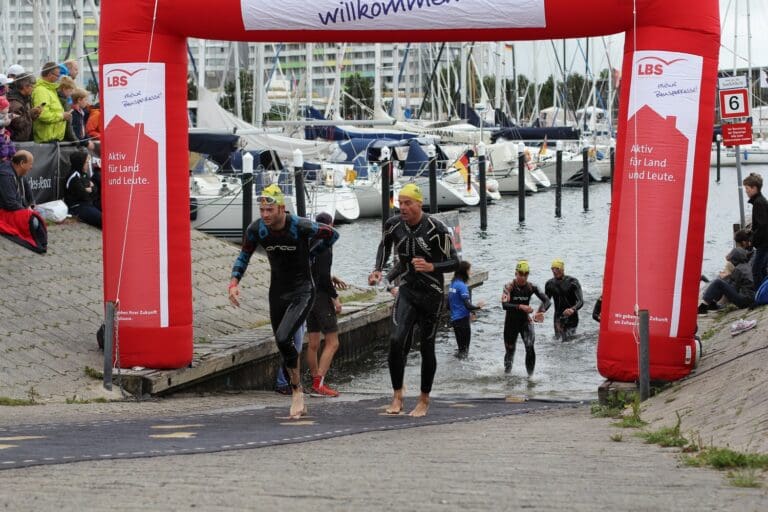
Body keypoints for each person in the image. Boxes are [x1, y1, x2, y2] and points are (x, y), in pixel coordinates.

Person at [228, 184, 338, 419]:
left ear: (281, 208)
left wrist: (313, 253)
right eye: (262, 210)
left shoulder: (299, 225)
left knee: (283, 336)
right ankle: (296, 387)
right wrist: (234, 282)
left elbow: (332, 234)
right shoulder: (257, 229)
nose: (265, 215)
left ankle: (297, 391)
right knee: (282, 343)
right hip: (277, 291)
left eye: (270, 210)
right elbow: (244, 254)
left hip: (302, 290)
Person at [368, 183, 459, 417]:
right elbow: (384, 247)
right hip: (407, 290)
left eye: (408, 203)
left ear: (419, 203)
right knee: (396, 341)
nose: (403, 208)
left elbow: (455, 262)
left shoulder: (436, 228)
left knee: (427, 347)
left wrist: (431, 266)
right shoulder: (393, 225)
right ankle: (397, 396)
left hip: (431, 293)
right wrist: (378, 270)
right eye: (400, 203)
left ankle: (424, 400)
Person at [305, 212, 343, 397]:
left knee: (313, 342)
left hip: (307, 296)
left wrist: (331, 276)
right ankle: (319, 383)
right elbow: (322, 279)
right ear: (331, 225)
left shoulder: (308, 242)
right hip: (320, 297)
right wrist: (335, 297)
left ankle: (313, 381)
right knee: (332, 342)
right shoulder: (326, 248)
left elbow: (315, 271)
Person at [501, 261, 550, 376]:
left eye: (526, 274)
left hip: (525, 322)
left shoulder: (532, 287)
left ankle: (530, 379)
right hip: (511, 323)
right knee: (510, 351)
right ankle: (507, 376)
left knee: (530, 347)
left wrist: (540, 312)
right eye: (520, 274)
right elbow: (504, 305)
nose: (523, 277)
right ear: (516, 273)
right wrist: (520, 306)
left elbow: (547, 301)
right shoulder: (509, 287)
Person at [0, 150, 46, 253]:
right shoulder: (5, 176)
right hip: (5, 212)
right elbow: (10, 204)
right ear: (22, 163)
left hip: (16, 209)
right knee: (34, 221)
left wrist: (31, 205)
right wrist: (27, 211)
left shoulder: (19, 173)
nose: (31, 167)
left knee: (41, 212)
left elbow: (29, 193)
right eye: (30, 164)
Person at [698, 247, 754, 313]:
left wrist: (725, 280)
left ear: (734, 259)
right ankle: (712, 304)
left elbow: (734, 287)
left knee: (717, 282)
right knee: (722, 283)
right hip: (750, 299)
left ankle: (703, 307)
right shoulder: (745, 266)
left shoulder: (738, 270)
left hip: (744, 301)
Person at [447, 260, 485, 357]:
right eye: (469, 270)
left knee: (461, 350)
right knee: (465, 352)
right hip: (462, 321)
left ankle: (456, 369)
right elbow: (467, 305)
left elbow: (448, 305)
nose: (470, 272)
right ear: (464, 271)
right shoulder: (462, 286)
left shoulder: (453, 284)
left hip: (455, 321)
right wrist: (478, 307)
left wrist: (470, 312)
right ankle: (462, 370)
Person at [31, 62, 72, 143]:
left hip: (52, 138)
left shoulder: (51, 90)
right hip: (46, 140)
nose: (58, 78)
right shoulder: (41, 91)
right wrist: (62, 116)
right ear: (50, 74)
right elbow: (43, 115)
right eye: (57, 75)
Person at [545, 259, 584, 341]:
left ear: (563, 269)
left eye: (557, 269)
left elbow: (581, 301)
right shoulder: (549, 284)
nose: (555, 271)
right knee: (558, 341)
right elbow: (546, 302)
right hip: (558, 317)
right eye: (553, 269)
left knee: (569, 342)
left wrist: (572, 309)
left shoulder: (573, 282)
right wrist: (540, 312)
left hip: (572, 316)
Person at [64, 150, 101, 228]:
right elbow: (83, 194)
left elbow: (95, 190)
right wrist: (89, 189)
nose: (88, 165)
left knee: (110, 211)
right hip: (78, 207)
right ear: (80, 163)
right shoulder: (74, 176)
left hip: (89, 203)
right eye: (86, 163)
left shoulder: (84, 174)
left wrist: (89, 189)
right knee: (102, 219)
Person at [743, 173, 768, 288]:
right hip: (764, 242)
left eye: (747, 189)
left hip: (764, 243)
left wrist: (752, 239)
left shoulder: (758, 203)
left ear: (754, 188)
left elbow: (763, 225)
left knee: (756, 270)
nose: (746, 191)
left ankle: (760, 297)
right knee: (762, 269)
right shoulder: (760, 201)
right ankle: (763, 294)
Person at [6, 74, 42, 142]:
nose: (33, 89)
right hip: (16, 142)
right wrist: (30, 114)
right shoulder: (14, 103)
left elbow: (26, 120)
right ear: (25, 87)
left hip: (23, 141)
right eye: (32, 86)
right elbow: (18, 124)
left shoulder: (25, 99)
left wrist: (34, 115)